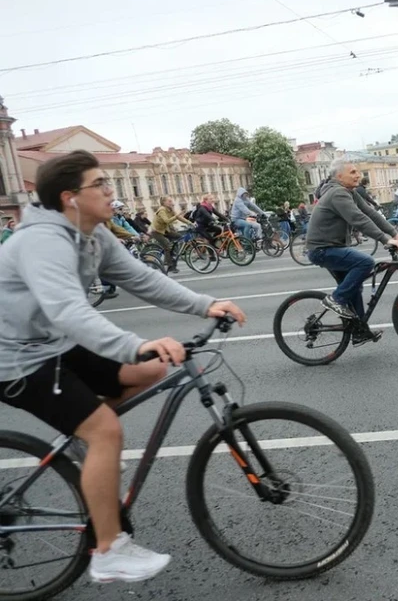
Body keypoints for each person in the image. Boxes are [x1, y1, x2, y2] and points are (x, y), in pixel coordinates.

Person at [0, 149, 246, 584]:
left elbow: (142, 278)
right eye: (101, 184)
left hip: (51, 343)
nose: (112, 192)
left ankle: (80, 440)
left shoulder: (92, 234)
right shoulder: (42, 240)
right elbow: (68, 311)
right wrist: (136, 344)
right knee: (105, 430)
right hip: (15, 358)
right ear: (69, 197)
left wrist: (206, 305)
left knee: (151, 370)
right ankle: (109, 551)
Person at [306, 159, 398, 344]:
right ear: (339, 176)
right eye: (353, 172)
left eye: (358, 171)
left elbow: (370, 213)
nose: (358, 175)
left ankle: (359, 331)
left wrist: (395, 232)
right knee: (365, 263)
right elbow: (358, 219)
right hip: (322, 249)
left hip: (333, 247)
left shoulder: (349, 192)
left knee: (354, 286)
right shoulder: (337, 193)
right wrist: (386, 239)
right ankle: (335, 300)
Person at [148, 197, 193, 274]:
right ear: (164, 202)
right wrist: (177, 216)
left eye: (171, 201)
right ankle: (168, 263)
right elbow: (167, 221)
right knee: (167, 245)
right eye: (169, 201)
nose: (171, 202)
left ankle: (172, 256)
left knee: (179, 236)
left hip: (165, 230)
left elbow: (179, 217)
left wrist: (190, 223)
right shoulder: (162, 210)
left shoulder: (170, 209)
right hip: (156, 231)